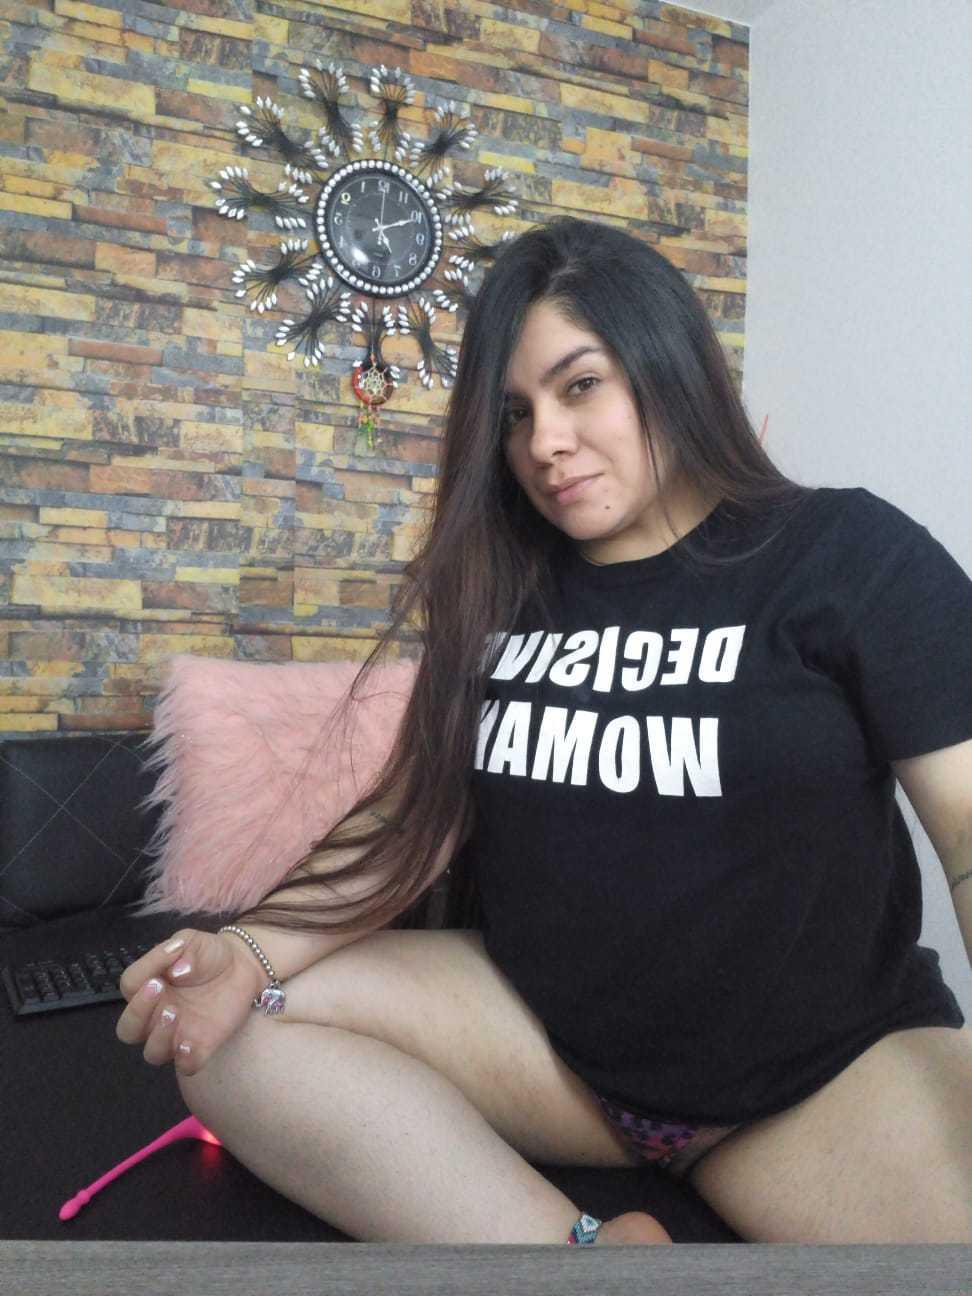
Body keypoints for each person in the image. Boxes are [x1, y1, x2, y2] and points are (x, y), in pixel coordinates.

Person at [116, 216, 972, 1244]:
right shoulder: (506, 593)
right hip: (550, 1051)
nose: (543, 444)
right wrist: (246, 953)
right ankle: (584, 1257)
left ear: (669, 365)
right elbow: (405, 817)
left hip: (818, 1082)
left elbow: (966, 831)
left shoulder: (850, 553)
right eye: (515, 414)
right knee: (217, 1035)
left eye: (580, 386)